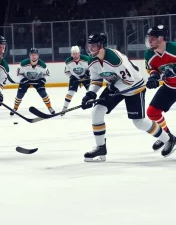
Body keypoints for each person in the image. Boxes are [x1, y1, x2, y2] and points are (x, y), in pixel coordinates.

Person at [81, 32, 176, 162]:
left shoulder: (115, 59)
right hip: (115, 86)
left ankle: (168, 139)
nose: (90, 49)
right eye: (89, 45)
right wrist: (90, 94)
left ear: (102, 46)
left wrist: (113, 89)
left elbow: (129, 81)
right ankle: (100, 147)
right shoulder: (92, 61)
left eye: (94, 46)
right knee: (97, 111)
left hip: (135, 88)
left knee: (139, 122)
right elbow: (96, 79)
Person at [144, 24, 176, 151]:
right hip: (170, 86)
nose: (149, 41)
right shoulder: (148, 54)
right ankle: (167, 137)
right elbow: (153, 69)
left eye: (153, 38)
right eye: (149, 38)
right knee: (152, 112)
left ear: (161, 38)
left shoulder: (174, 48)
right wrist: (153, 78)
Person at [10, 48, 55, 116]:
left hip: (38, 81)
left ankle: (49, 107)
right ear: (30, 56)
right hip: (26, 80)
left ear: (38, 56)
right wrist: (23, 79)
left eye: (35, 55)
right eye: (32, 55)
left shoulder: (42, 65)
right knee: (19, 95)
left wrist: (43, 79)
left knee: (43, 94)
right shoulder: (23, 63)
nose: (34, 56)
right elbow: (19, 73)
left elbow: (47, 74)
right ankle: (15, 108)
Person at [61, 46, 90, 115]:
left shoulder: (86, 59)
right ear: (71, 54)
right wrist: (71, 77)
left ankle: (95, 105)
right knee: (70, 93)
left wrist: (87, 75)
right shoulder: (68, 61)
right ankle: (64, 108)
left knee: (91, 90)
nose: (75, 55)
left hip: (85, 77)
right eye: (73, 53)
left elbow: (92, 69)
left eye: (76, 53)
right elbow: (66, 72)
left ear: (79, 53)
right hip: (75, 78)